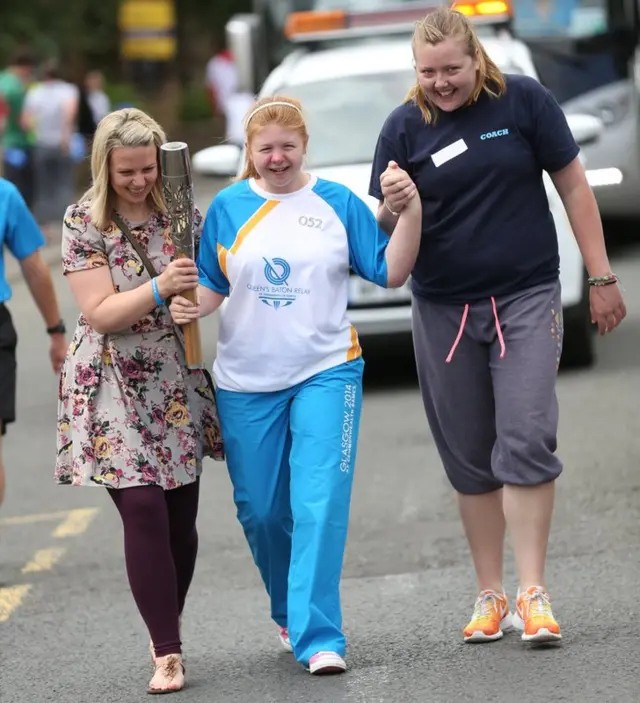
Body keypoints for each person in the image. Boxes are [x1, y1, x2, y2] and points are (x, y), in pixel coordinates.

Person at [369, 6, 626, 646]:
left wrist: (600, 275)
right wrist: (394, 207)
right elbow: (384, 225)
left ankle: (533, 592)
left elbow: (574, 188)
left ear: (475, 56)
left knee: (528, 435)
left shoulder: (525, 102)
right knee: (470, 453)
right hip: (443, 307)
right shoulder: (402, 128)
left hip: (525, 295)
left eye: (451, 69)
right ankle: (491, 596)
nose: (441, 83)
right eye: (428, 72)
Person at [168, 95, 422, 674]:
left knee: (319, 501)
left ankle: (319, 636)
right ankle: (287, 607)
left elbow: (389, 271)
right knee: (260, 510)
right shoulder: (228, 206)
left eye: (287, 147)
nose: (277, 158)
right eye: (265, 149)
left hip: (326, 368)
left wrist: (410, 215)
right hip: (245, 381)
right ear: (250, 153)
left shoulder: (336, 202)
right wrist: (186, 304)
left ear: (305, 146)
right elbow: (211, 286)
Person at [54, 107, 224, 694]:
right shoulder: (83, 220)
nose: (137, 181)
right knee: (144, 507)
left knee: (181, 523)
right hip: (111, 380)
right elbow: (100, 313)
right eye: (126, 171)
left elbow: (210, 283)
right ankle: (168, 652)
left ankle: (164, 623)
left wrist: (195, 302)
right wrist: (159, 289)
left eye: (147, 169)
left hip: (175, 373)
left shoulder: (180, 210)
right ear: (106, 166)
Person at [0, 176, 67, 509]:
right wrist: (55, 331)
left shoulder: (4, 194)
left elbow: (34, 266)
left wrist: (56, 329)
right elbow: (34, 268)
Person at [23, 59, 79, 238]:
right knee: (64, 183)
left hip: (41, 144)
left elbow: (26, 121)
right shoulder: (68, 90)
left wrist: (36, 133)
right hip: (62, 143)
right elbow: (69, 114)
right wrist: (65, 137)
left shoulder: (34, 92)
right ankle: (70, 226)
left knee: (43, 186)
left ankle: (44, 228)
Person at [0, 49, 36, 209]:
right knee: (23, 187)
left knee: (9, 184)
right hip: (18, 143)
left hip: (7, 142)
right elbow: (24, 120)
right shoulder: (16, 87)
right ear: (26, 68)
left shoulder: (3, 79)